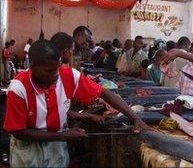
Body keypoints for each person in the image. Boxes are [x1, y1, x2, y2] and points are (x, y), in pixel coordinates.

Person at [3, 40, 150, 167]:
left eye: (57, 68)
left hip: (56, 146)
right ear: (33, 66)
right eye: (49, 71)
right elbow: (18, 131)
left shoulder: (68, 75)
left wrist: (135, 118)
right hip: (28, 150)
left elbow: (104, 93)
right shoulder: (18, 88)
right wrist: (63, 136)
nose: (55, 75)